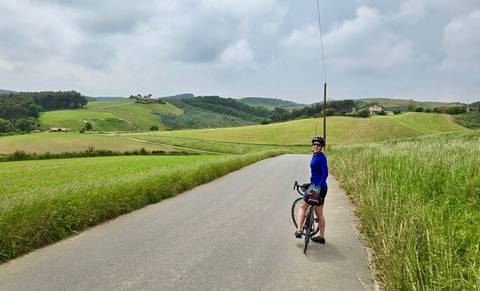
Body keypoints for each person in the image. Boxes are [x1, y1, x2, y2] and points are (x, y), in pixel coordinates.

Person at [295, 136, 328, 244]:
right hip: (317, 185)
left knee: (302, 206)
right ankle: (321, 237)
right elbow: (317, 173)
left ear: (321, 146)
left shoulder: (321, 158)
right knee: (319, 214)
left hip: (318, 187)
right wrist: (311, 183)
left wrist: (317, 186)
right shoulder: (316, 155)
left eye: (318, 145)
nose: (315, 146)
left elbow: (325, 173)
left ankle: (299, 230)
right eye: (314, 144)